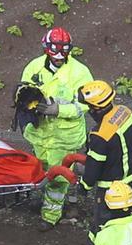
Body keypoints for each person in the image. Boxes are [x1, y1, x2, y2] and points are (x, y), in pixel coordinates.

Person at [17, 27, 92, 230]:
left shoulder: (80, 73)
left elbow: (85, 105)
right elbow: (23, 91)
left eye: (63, 54)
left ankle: (50, 215)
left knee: (58, 177)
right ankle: (61, 197)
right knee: (42, 170)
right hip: (40, 134)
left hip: (64, 137)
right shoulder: (33, 68)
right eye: (55, 54)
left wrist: (58, 109)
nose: (59, 58)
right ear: (46, 50)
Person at [77, 80, 132, 233]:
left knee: (103, 224)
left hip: (111, 188)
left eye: (90, 107)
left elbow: (93, 168)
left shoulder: (100, 135)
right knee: (126, 217)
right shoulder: (125, 112)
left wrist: (84, 186)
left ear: (96, 108)